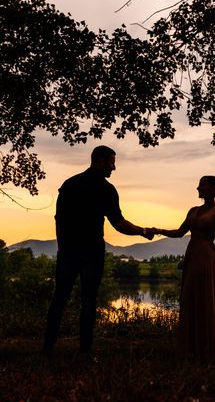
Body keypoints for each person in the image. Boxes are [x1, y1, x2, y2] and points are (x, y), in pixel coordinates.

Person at [43, 145, 154, 355]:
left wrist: (63, 247)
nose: (114, 167)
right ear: (100, 161)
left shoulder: (70, 184)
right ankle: (84, 351)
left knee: (60, 298)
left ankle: (48, 347)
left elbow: (59, 220)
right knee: (88, 301)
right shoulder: (106, 189)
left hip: (68, 251)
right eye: (112, 162)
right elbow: (119, 223)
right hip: (92, 253)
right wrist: (142, 231)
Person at [152, 175, 215, 360]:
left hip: (207, 257)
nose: (198, 188)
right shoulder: (193, 210)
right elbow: (179, 232)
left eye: (203, 185)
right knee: (189, 297)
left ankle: (208, 347)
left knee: (204, 297)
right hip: (192, 255)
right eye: (199, 185)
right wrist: (158, 230)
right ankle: (192, 347)